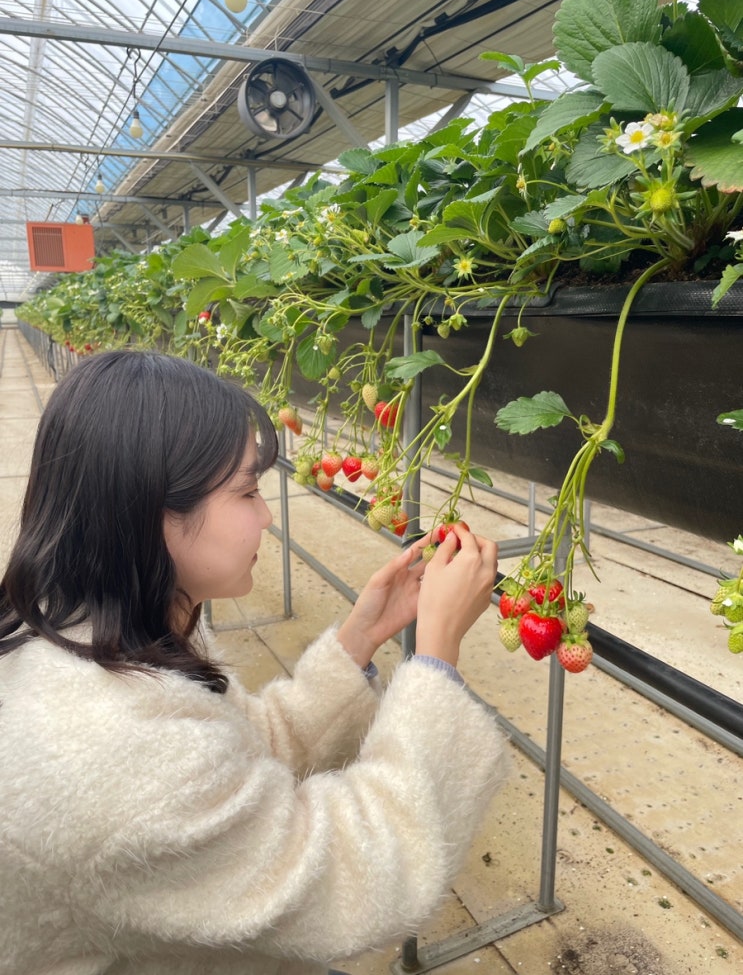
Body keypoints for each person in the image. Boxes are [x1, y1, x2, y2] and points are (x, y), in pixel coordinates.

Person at [0, 349, 508, 975]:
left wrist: (361, 636)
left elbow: (236, 758)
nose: (268, 516)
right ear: (148, 508)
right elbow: (356, 876)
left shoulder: (88, 630)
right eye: (247, 491)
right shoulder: (116, 758)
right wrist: (436, 663)